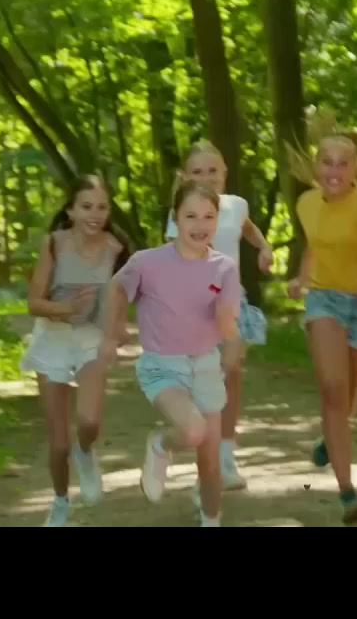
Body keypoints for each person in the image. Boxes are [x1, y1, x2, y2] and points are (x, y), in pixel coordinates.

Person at [98, 180, 242, 527]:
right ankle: (161, 444)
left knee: (210, 462)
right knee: (193, 431)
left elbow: (228, 320)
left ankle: (211, 521)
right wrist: (113, 331)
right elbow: (116, 288)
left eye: (208, 216)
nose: (200, 224)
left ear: (217, 221)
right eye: (190, 215)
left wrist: (231, 340)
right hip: (162, 367)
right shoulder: (148, 262)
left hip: (205, 366)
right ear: (175, 219)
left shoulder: (224, 268)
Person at [286, 111, 357, 525]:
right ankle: (348, 495)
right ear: (316, 166)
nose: (333, 171)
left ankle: (329, 438)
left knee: (349, 397)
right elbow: (315, 245)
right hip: (325, 301)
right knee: (333, 393)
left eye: (342, 163)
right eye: (326, 162)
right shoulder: (306, 203)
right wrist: (302, 279)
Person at [165, 141, 273, 494]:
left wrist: (264, 247)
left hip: (231, 301)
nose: (207, 177)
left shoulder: (235, 205)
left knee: (231, 370)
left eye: (213, 170)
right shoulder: (180, 213)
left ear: (225, 173)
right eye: (198, 171)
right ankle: (205, 454)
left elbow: (248, 228)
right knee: (206, 380)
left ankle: (226, 455)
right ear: (185, 176)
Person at [22, 174, 131, 527]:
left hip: (91, 339)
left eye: (102, 207)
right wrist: (65, 309)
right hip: (53, 338)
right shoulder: (54, 244)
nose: (94, 214)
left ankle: (85, 452)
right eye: (86, 207)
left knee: (89, 421)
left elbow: (119, 299)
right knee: (57, 445)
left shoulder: (116, 248)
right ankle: (60, 502)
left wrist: (117, 330)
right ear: (70, 211)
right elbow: (34, 303)